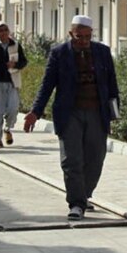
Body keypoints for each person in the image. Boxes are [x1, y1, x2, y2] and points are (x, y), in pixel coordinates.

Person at [24, 16, 119, 221]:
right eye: (79, 37)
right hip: (70, 114)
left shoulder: (102, 52)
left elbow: (112, 84)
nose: (83, 40)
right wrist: (35, 112)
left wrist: (114, 112)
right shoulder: (60, 54)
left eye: (87, 36)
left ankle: (84, 194)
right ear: (70, 34)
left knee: (95, 158)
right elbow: (47, 84)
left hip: (96, 112)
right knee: (72, 159)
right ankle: (76, 203)